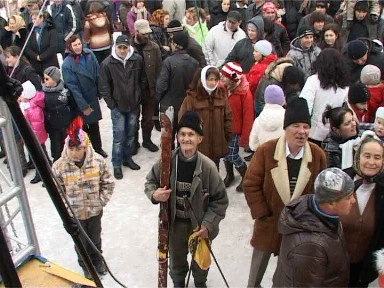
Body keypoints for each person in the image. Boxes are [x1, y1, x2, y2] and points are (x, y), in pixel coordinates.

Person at [243, 97, 327, 288]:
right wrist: (262, 213)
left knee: (286, 276)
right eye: (296, 125)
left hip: (298, 227)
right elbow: (251, 184)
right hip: (269, 222)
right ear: (286, 127)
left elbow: (320, 193)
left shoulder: (318, 155)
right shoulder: (266, 151)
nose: (301, 132)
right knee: (256, 271)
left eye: (306, 126)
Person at [144, 110, 229, 288]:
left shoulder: (208, 167)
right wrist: (154, 194)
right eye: (182, 134)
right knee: (176, 260)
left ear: (200, 139)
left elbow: (220, 200)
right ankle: (178, 283)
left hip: (198, 226)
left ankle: (200, 283)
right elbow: (150, 182)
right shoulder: (167, 161)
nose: (186, 138)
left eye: (191, 134)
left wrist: (208, 225)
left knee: (200, 261)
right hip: (175, 224)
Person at [52, 117, 115, 280]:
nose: (74, 153)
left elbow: (108, 183)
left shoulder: (98, 162)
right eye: (71, 149)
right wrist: (67, 212)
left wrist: (100, 202)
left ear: (85, 146)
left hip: (94, 212)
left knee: (95, 239)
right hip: (74, 215)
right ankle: (86, 265)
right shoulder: (59, 166)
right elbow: (57, 192)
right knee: (81, 243)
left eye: (78, 148)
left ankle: (98, 261)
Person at [272, 167, 355, 287]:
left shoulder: (322, 212)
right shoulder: (310, 247)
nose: (354, 201)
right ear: (331, 203)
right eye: (348, 197)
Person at [99, 34, 146, 179]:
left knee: (131, 133)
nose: (123, 50)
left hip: (133, 104)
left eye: (125, 47)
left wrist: (138, 95)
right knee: (119, 135)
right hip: (118, 106)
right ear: (115, 47)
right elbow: (104, 86)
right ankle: (117, 163)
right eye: (120, 47)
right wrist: (112, 104)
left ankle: (127, 158)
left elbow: (142, 79)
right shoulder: (107, 63)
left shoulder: (137, 59)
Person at [341, 135, 384, 287]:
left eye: (377, 157)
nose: (371, 162)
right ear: (358, 157)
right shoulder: (341, 180)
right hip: (331, 267)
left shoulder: (382, 190)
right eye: (367, 156)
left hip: (362, 272)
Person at [62, 34, 108, 159]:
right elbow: (73, 87)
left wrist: (100, 91)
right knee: (83, 127)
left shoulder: (89, 54)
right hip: (80, 100)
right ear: (70, 47)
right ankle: (87, 152)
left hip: (92, 95)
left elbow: (97, 72)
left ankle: (98, 149)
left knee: (94, 124)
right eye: (75, 45)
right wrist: (84, 106)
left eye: (79, 44)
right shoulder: (67, 64)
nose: (78, 47)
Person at [179, 66, 233, 169]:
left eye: (216, 79)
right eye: (210, 79)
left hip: (217, 143)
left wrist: (227, 135)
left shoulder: (221, 94)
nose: (213, 83)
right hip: (199, 145)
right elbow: (183, 121)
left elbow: (228, 116)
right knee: (199, 172)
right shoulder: (191, 98)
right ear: (203, 79)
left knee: (214, 171)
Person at [156, 30, 200, 146]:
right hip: (187, 106)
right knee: (184, 138)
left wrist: (158, 100)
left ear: (176, 45)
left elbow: (161, 85)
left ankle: (169, 162)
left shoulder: (168, 62)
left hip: (169, 106)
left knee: (167, 140)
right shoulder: (194, 63)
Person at [300, 48, 350, 146]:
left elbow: (304, 106)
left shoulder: (313, 81)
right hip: (334, 135)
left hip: (313, 134)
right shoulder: (345, 86)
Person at [221, 62, 254, 192]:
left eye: (224, 76)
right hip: (224, 128)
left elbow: (248, 117)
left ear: (232, 78)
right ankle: (230, 175)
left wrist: (245, 138)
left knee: (233, 154)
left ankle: (245, 176)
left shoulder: (245, 94)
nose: (221, 78)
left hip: (235, 131)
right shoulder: (223, 88)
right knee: (224, 153)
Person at [131, 19, 162, 153]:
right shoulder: (128, 48)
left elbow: (159, 69)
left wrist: (157, 88)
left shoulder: (154, 47)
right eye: (144, 34)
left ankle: (147, 140)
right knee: (133, 120)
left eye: (148, 33)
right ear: (136, 32)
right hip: (133, 90)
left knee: (148, 119)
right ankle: (134, 142)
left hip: (150, 89)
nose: (147, 36)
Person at [18, 80, 49, 184]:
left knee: (39, 155)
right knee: (41, 153)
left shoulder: (31, 108)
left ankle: (42, 174)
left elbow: (36, 125)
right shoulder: (27, 105)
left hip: (35, 137)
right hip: (33, 136)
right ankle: (44, 169)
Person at [43, 66, 75, 162]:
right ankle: (57, 161)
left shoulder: (65, 90)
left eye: (47, 79)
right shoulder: (43, 92)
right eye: (44, 78)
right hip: (52, 125)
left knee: (67, 143)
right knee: (56, 146)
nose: (45, 81)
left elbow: (72, 104)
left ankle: (69, 160)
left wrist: (71, 117)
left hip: (66, 123)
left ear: (55, 79)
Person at [248, 84, 285, 153]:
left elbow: (252, 145)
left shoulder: (258, 121)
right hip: (283, 158)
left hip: (265, 158)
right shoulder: (288, 118)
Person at [24, 10, 59, 77]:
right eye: (32, 19)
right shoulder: (30, 31)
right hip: (36, 65)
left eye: (35, 19)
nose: (33, 21)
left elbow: (53, 47)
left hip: (50, 63)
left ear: (42, 18)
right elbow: (27, 48)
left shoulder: (50, 29)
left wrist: (41, 57)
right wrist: (36, 57)